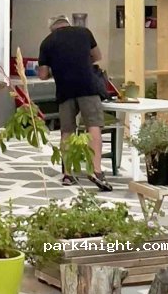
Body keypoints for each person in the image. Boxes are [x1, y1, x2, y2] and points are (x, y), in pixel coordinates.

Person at [37, 15, 112, 191]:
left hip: (65, 90)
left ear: (52, 28)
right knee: (93, 126)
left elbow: (42, 75)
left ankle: (68, 174)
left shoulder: (47, 42)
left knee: (67, 131)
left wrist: (57, 68)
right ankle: (96, 171)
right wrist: (81, 62)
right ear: (67, 23)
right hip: (88, 86)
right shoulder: (84, 32)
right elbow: (97, 56)